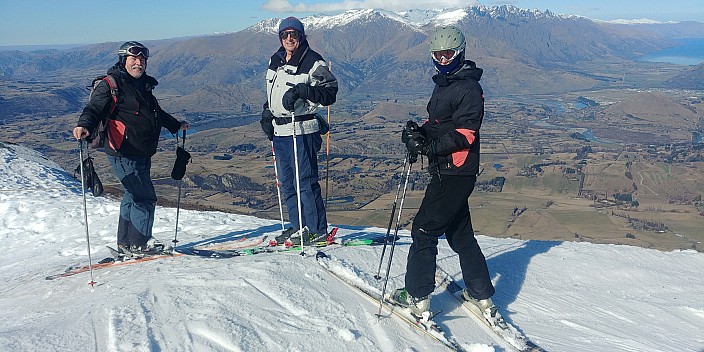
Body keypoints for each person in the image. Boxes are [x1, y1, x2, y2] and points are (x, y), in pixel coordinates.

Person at [389, 26, 497, 320]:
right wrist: (420, 131)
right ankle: (480, 294)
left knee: (423, 230)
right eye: (437, 54)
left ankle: (416, 297)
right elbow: (441, 123)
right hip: (451, 171)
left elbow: (464, 135)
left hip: (454, 171)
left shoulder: (467, 88)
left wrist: (429, 147)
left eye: (447, 54)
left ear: (459, 53)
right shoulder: (447, 83)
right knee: (461, 236)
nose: (442, 59)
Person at [73, 41, 189, 255]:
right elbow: (94, 108)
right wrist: (84, 125)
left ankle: (126, 241)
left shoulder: (142, 85)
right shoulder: (111, 84)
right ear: (123, 60)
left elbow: (156, 112)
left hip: (142, 150)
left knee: (132, 194)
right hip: (123, 150)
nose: (139, 63)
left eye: (142, 59)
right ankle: (140, 242)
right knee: (144, 196)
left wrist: (175, 125)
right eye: (134, 59)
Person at [260, 17, 338, 245]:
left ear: (301, 36)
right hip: (280, 130)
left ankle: (317, 230)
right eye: (285, 35)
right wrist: (267, 112)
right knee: (287, 182)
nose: (289, 38)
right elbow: (272, 92)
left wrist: (304, 90)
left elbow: (330, 92)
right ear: (280, 38)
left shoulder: (312, 61)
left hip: (302, 128)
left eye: (294, 34)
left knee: (305, 181)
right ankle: (298, 227)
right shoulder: (275, 61)